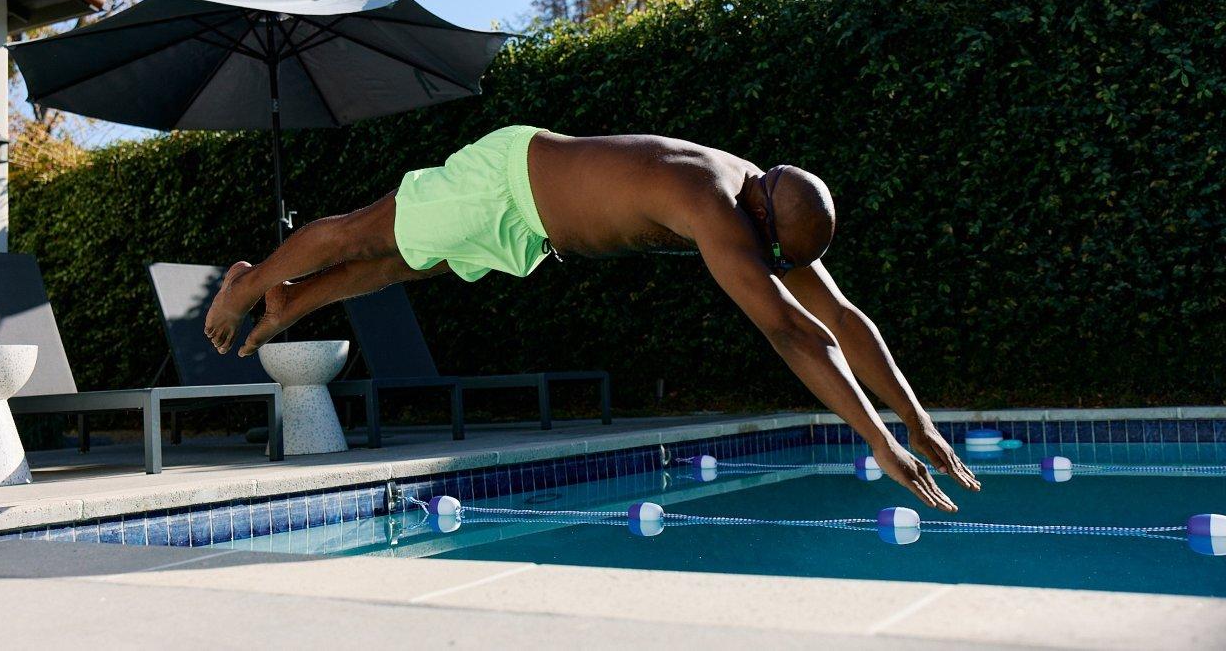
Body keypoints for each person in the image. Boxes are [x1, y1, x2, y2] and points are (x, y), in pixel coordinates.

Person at [205, 125, 979, 511]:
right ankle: (248, 284)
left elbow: (841, 314)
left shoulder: (767, 198)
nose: (770, 268)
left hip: (531, 228)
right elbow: (791, 329)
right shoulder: (710, 199)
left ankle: (290, 298)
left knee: (400, 263)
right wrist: (876, 438)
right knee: (362, 233)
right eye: (773, 258)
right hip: (505, 181)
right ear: (764, 221)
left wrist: (916, 420)